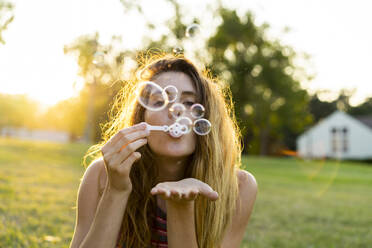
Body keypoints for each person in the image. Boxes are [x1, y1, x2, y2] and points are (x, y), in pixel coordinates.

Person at [69, 53, 257, 248]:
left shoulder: (238, 187)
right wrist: (116, 190)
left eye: (189, 103)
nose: (174, 111)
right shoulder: (102, 174)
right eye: (159, 102)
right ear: (142, 119)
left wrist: (180, 206)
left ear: (208, 118)